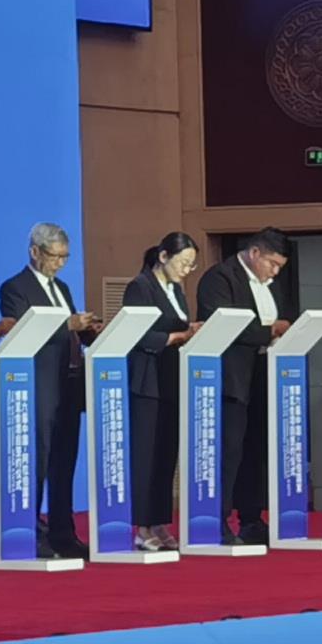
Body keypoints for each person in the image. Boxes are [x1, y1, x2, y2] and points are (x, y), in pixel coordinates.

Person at [0, 222, 93, 551]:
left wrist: (87, 328)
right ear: (35, 252)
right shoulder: (15, 288)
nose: (60, 263)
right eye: (55, 256)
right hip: (38, 385)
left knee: (64, 461)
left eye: (65, 257)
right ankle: (31, 532)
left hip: (69, 383)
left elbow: (70, 330)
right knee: (37, 459)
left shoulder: (61, 288)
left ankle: (63, 532)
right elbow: (22, 332)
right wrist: (68, 324)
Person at [199, 228, 296, 544]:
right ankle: (217, 520)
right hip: (231, 378)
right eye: (272, 264)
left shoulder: (270, 285)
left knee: (257, 449)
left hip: (262, 374)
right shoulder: (220, 278)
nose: (275, 272)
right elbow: (224, 325)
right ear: (255, 253)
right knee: (229, 451)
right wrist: (269, 331)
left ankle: (252, 518)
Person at [124, 231, 199, 553]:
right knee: (146, 456)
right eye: (183, 263)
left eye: (191, 265)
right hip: (146, 380)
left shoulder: (176, 290)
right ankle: (141, 526)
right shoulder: (140, 287)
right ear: (164, 256)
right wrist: (176, 337)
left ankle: (159, 521)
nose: (186, 270)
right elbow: (137, 333)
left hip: (171, 378)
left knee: (166, 455)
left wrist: (189, 332)